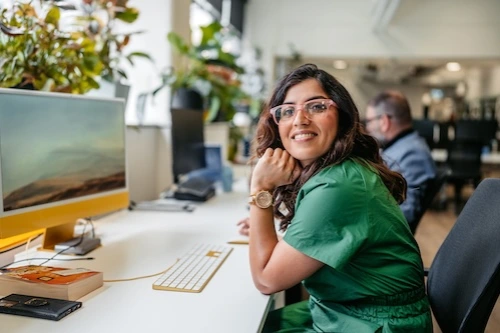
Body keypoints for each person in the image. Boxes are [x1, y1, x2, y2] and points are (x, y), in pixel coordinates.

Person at [247, 64, 432, 332]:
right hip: (344, 309)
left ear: (342, 118)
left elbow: (267, 280)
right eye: (287, 111)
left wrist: (260, 189)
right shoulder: (337, 172)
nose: (299, 119)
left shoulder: (339, 186)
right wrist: (259, 221)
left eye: (317, 106)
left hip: (375, 323)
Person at [365, 91, 437, 232]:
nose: (367, 128)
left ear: (384, 121)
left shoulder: (412, 154)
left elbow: (405, 213)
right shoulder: (403, 147)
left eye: (369, 121)